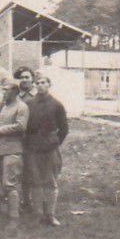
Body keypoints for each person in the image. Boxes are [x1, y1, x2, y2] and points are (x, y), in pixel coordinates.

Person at [25, 74, 69, 227]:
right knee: (35, 180)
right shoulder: (29, 104)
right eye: (37, 83)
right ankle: (38, 214)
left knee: (50, 181)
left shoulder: (57, 105)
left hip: (50, 147)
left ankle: (50, 215)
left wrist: (54, 142)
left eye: (43, 82)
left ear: (49, 84)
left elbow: (64, 129)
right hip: (33, 147)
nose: (40, 85)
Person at [0, 77, 29, 228]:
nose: (3, 93)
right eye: (3, 90)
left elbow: (21, 126)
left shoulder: (21, 107)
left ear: (14, 92)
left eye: (6, 90)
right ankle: (3, 211)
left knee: (10, 184)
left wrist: (1, 130)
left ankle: (14, 218)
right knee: (3, 183)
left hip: (13, 149)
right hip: (1, 149)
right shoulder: (5, 106)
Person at [13, 65, 37, 211]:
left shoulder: (37, 95)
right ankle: (26, 199)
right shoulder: (17, 97)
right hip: (20, 137)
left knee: (35, 168)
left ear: (32, 79)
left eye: (27, 77)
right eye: (22, 77)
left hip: (35, 137)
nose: (25, 80)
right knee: (22, 169)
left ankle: (37, 200)